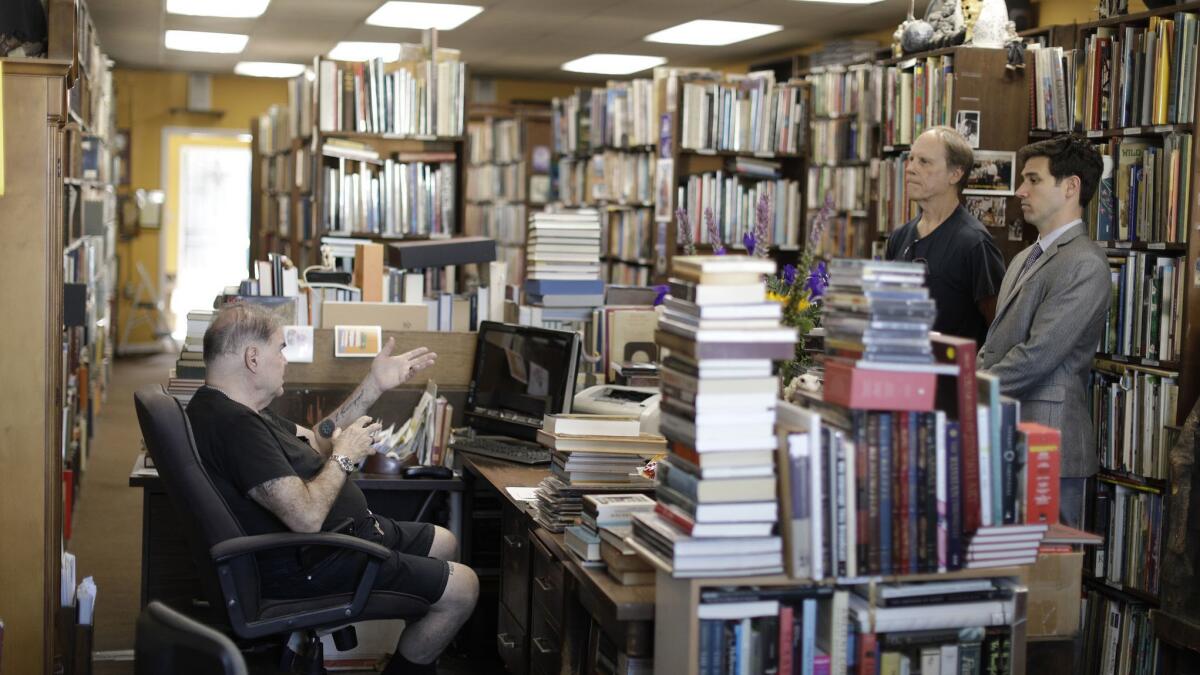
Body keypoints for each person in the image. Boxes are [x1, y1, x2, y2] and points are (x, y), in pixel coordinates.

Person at [186, 303, 476, 675]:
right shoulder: (236, 428)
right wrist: (345, 457)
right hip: (317, 558)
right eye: (281, 348)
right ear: (253, 358)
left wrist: (374, 386)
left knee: (445, 543)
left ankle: (416, 634)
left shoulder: (237, 409)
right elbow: (306, 517)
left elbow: (318, 439)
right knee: (464, 588)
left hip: (339, 539)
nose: (285, 360)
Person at [978, 135, 1110, 528]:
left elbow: (1037, 356)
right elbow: (996, 344)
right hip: (1008, 437)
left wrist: (968, 389)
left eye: (1033, 180)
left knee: (1051, 579)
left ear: (1071, 187)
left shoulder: (1086, 264)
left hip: (1052, 448)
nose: (1020, 190)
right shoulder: (1023, 257)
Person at [885, 126, 1006, 345]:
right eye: (911, 159)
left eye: (924, 162)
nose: (910, 168)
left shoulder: (975, 243)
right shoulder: (899, 237)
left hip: (954, 375)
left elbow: (1000, 326)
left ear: (955, 174)